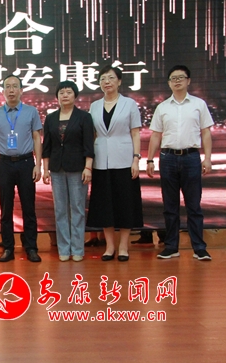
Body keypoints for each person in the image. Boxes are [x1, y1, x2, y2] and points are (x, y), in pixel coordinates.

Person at [147, 65, 214, 261]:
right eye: (173, 78)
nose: (177, 81)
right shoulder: (162, 107)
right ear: (169, 83)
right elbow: (156, 135)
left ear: (188, 81)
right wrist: (150, 159)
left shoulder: (199, 104)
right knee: (170, 206)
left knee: (194, 206)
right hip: (167, 158)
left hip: (191, 157)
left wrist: (207, 158)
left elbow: (206, 133)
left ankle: (199, 248)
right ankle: (171, 246)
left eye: (181, 77)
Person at [87, 65, 143, 262]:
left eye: (111, 78)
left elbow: (135, 133)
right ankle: (110, 247)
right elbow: (93, 134)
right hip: (101, 161)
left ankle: (123, 246)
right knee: (105, 205)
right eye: (103, 78)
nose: (107, 82)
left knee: (125, 203)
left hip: (124, 159)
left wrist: (136, 158)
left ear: (119, 81)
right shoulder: (94, 106)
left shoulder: (129, 104)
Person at [0, 74, 43, 263]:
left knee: (29, 208)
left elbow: (37, 138)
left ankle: (31, 247)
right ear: (3, 91)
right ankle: (8, 247)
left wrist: (38, 165)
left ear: (21, 90)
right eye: (8, 87)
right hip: (4, 164)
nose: (11, 90)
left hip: (26, 163)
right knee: (5, 209)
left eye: (15, 86)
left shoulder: (31, 111)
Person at [42, 80, 94, 262]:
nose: (65, 95)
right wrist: (45, 169)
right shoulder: (51, 118)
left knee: (78, 209)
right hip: (56, 169)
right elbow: (46, 147)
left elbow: (89, 145)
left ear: (75, 95)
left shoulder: (84, 117)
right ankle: (64, 248)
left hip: (78, 168)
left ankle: (77, 249)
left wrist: (88, 167)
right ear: (57, 96)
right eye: (61, 92)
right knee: (60, 210)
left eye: (69, 92)